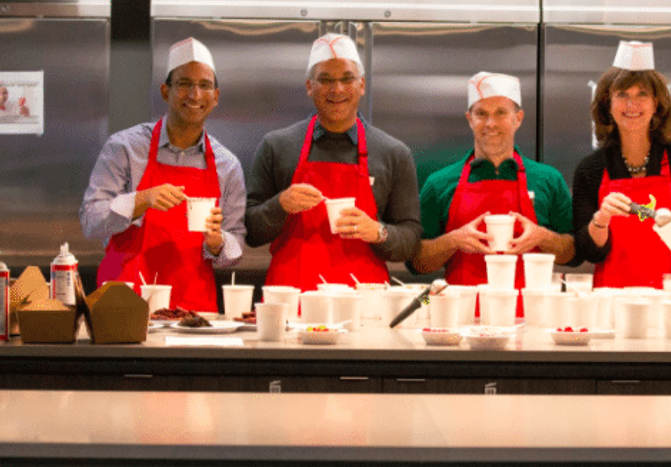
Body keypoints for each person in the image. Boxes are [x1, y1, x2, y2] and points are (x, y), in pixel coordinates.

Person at [80, 38, 246, 312]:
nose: (195, 95)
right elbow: (91, 221)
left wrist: (218, 243)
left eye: (204, 85)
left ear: (216, 96)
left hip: (194, 314)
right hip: (124, 306)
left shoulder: (227, 166)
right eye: (184, 84)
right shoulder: (125, 148)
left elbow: (236, 243)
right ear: (165, 91)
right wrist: (141, 199)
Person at [245, 33, 421, 290]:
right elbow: (250, 232)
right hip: (292, 297)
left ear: (362, 85)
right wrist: (280, 205)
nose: (337, 89)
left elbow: (411, 242)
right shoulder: (277, 146)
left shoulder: (394, 153)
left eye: (347, 79)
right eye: (326, 80)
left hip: (364, 299)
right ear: (309, 86)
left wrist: (377, 231)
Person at [572, 41, 671, 289]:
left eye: (642, 94)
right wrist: (601, 219)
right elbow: (587, 251)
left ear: (656, 104)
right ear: (608, 104)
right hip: (615, 299)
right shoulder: (590, 169)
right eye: (623, 95)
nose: (632, 104)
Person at [412, 72, 574, 290]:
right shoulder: (439, 183)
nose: (491, 123)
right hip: (461, 307)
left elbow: (574, 255)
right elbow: (416, 263)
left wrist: (542, 237)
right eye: (481, 114)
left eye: (501, 113)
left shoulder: (549, 179)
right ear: (470, 119)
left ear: (518, 118)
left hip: (531, 308)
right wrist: (453, 241)